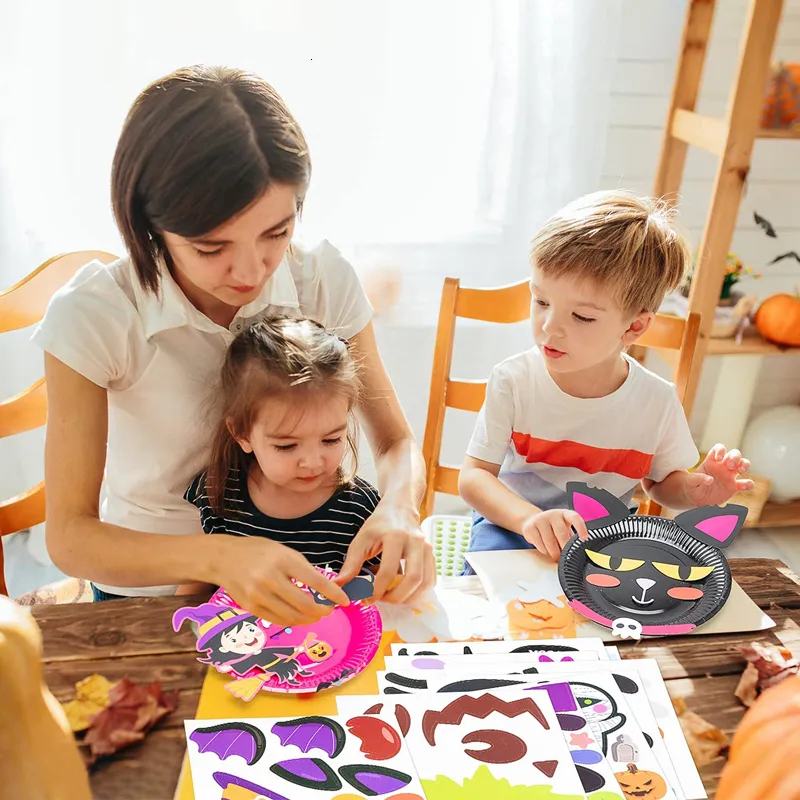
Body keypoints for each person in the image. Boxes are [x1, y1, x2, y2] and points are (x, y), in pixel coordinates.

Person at [34, 65, 433, 624]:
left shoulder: (321, 279)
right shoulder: (96, 315)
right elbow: (71, 538)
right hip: (149, 598)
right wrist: (225, 558)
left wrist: (399, 509)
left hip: (312, 581)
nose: (251, 270)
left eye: (277, 233)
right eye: (210, 246)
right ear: (148, 224)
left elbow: (394, 442)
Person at [458, 190, 753, 568]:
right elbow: (474, 478)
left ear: (634, 327)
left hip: (606, 535)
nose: (550, 327)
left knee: (622, 612)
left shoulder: (656, 401)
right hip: (512, 523)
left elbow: (661, 487)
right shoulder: (513, 380)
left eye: (581, 317)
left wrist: (702, 491)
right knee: (496, 612)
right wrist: (528, 519)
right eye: (541, 301)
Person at [180, 316, 382, 595]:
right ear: (242, 434)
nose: (312, 462)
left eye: (331, 439)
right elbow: (192, 587)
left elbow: (386, 595)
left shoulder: (360, 507)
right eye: (287, 446)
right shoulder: (218, 492)